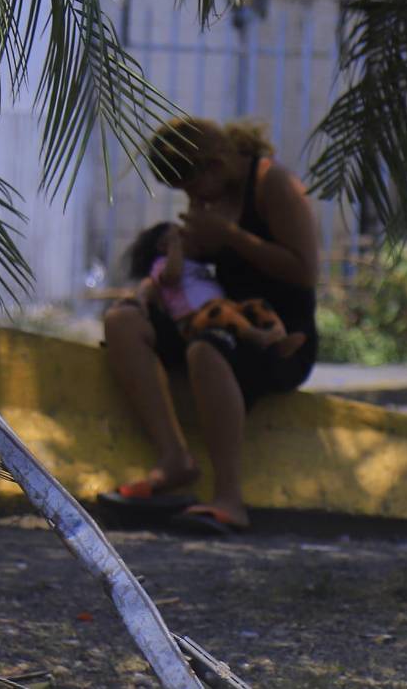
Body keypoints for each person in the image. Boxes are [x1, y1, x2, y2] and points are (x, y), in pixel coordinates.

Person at [102, 117, 320, 534]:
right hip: (215, 319)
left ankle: (229, 498)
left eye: (189, 185)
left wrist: (230, 235)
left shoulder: (273, 185)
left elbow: (305, 271)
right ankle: (174, 459)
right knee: (123, 322)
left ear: (214, 165)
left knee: (206, 348)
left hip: (277, 337)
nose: (190, 198)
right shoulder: (213, 199)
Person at [125, 221, 308, 356]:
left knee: (257, 305)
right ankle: (258, 338)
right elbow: (172, 277)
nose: (187, 238)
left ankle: (277, 337)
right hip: (192, 320)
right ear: (163, 246)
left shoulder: (195, 265)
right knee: (220, 312)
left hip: (223, 309)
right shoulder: (162, 265)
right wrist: (175, 245)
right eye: (181, 235)